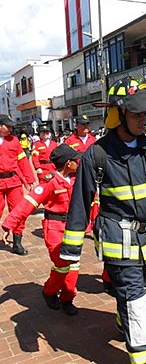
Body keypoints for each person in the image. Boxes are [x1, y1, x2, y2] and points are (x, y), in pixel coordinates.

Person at [60, 77, 146, 364]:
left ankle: (123, 318)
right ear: (118, 115)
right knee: (135, 301)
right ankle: (145, 358)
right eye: (136, 114)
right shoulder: (98, 153)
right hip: (119, 240)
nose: (144, 120)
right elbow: (80, 202)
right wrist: (71, 249)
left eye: (145, 114)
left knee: (145, 292)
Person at [2, 144, 82, 315]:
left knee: (74, 266)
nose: (78, 161)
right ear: (68, 163)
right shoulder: (50, 181)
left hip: (73, 229)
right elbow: (28, 203)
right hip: (54, 228)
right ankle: (49, 292)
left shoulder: (77, 178)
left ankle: (67, 299)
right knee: (62, 265)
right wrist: (10, 224)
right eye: (75, 159)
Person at [0, 115, 36, 255]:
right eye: (7, 126)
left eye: (10, 126)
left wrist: (30, 180)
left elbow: (22, 161)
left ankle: (17, 243)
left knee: (18, 211)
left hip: (13, 182)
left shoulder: (14, 141)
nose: (10, 128)